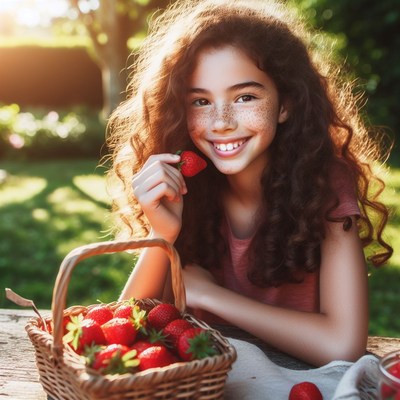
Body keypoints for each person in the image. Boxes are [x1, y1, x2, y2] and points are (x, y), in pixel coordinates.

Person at [105, 0, 392, 366]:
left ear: (285, 103)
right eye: (200, 101)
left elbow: (343, 345)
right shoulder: (183, 188)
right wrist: (161, 233)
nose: (221, 121)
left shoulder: (326, 184)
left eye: (245, 97)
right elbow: (128, 328)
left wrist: (210, 297)